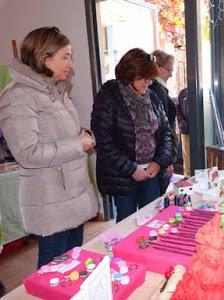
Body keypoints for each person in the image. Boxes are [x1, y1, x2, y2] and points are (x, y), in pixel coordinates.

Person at [0, 27, 98, 268]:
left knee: (73, 268)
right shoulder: (17, 96)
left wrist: (82, 135)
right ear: (45, 58)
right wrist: (77, 143)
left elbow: (58, 133)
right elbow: (28, 153)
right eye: (65, 56)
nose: (71, 65)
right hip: (51, 204)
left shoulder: (56, 91)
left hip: (72, 198)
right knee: (52, 274)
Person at [91, 48, 173, 223]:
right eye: (144, 78)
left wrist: (159, 162)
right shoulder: (109, 97)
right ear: (130, 74)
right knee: (127, 225)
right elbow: (104, 142)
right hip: (123, 177)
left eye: (150, 78)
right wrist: (131, 169)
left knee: (152, 222)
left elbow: (166, 133)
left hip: (151, 173)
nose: (149, 83)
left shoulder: (152, 96)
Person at [149, 50, 177, 193]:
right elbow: (162, 128)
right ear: (158, 68)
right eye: (169, 70)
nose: (171, 74)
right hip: (160, 155)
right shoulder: (157, 90)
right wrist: (168, 160)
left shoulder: (159, 89)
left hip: (159, 154)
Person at [176, 87, 191, 177]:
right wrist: (182, 122)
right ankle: (187, 176)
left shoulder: (201, 91)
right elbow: (177, 109)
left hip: (198, 130)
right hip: (186, 129)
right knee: (187, 155)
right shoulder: (183, 93)